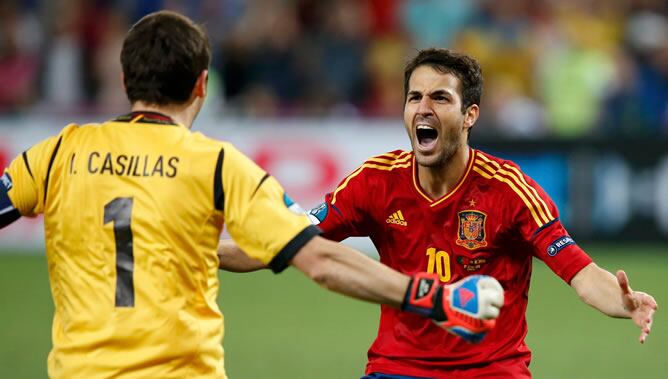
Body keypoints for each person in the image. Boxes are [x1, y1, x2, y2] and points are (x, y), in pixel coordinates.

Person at [0, 13, 505, 379]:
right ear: (202, 85)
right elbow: (322, 260)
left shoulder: (58, 152)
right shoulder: (219, 166)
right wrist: (438, 298)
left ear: (124, 78)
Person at [217, 48, 658, 378]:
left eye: (440, 98)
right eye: (414, 97)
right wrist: (199, 247)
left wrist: (623, 301)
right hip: (397, 368)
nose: (423, 108)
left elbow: (581, 273)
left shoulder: (510, 190)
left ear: (470, 115)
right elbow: (282, 243)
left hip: (492, 372)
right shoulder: (374, 182)